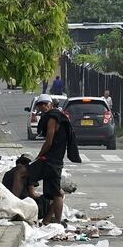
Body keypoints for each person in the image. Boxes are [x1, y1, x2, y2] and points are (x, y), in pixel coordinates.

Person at [27, 93, 76, 224]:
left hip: (52, 160)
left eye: (45, 104)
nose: (43, 107)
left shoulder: (53, 118)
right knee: (54, 192)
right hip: (55, 159)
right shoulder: (56, 116)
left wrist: (39, 156)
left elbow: (49, 141)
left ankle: (57, 222)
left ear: (51, 104)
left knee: (24, 174)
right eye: (40, 105)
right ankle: (47, 221)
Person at [3, 154, 48, 221]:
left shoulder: (7, 174)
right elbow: (32, 194)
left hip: (8, 203)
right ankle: (46, 221)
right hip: (23, 204)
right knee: (48, 199)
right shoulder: (27, 173)